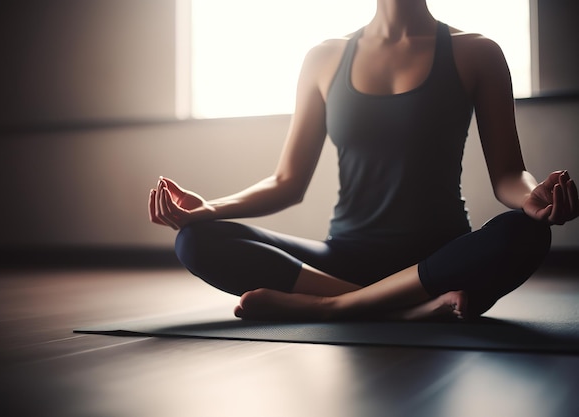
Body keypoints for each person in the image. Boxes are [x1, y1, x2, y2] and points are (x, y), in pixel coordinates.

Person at [149, 0, 578, 322]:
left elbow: (507, 174)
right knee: (195, 239)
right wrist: (209, 209)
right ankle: (401, 309)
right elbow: (286, 181)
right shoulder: (324, 57)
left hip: (441, 256)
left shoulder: (477, 52)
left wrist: (533, 198)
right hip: (344, 256)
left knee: (528, 233)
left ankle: (334, 306)